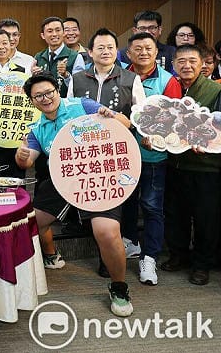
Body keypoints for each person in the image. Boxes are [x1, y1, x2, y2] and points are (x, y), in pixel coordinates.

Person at [15, 72, 134, 317]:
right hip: (63, 179)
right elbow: (28, 161)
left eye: (49, 92)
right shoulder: (36, 128)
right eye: (38, 96)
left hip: (98, 176)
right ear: (32, 101)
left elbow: (126, 123)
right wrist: (22, 155)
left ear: (57, 91)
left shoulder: (82, 105)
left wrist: (111, 116)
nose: (45, 98)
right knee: (30, 223)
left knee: (106, 231)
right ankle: (49, 256)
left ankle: (119, 288)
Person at [67, 28, 146, 278]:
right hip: (85, 151)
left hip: (117, 153)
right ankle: (102, 250)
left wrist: (125, 122)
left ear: (116, 51)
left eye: (110, 47)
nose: (106, 51)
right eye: (100, 47)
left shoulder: (131, 79)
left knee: (113, 203)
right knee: (91, 199)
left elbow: (140, 118)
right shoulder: (77, 79)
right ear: (90, 52)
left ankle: (107, 259)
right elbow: (69, 112)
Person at [160, 45, 221, 286]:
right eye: (182, 61)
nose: (187, 66)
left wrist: (206, 141)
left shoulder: (215, 90)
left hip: (205, 166)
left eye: (193, 61)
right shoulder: (171, 89)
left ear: (203, 63)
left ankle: (202, 264)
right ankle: (179, 256)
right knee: (176, 214)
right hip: (174, 163)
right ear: (174, 64)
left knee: (206, 217)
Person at [125, 32, 182, 285]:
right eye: (138, 48)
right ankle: (130, 242)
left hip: (153, 156)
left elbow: (175, 119)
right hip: (124, 155)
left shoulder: (168, 81)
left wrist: (157, 136)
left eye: (148, 48)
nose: (143, 52)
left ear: (157, 52)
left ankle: (149, 257)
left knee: (151, 206)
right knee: (126, 202)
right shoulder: (122, 76)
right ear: (129, 53)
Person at [0, 29, 28, 179]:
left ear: (11, 45)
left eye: (4, 43)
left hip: (13, 130)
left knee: (13, 175)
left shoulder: (21, 71)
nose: (1, 47)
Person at [32, 17, 85, 97]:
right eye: (50, 31)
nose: (54, 34)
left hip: (66, 103)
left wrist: (65, 75)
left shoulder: (76, 57)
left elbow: (79, 87)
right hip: (43, 103)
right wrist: (33, 77)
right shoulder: (38, 57)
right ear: (43, 35)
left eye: (58, 30)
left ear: (63, 33)